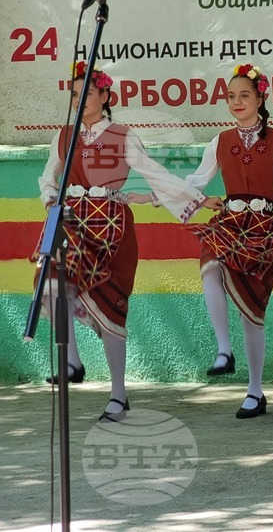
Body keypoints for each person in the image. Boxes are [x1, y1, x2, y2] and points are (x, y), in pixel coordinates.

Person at [35, 61, 206, 422]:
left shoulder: (122, 135)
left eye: (88, 94)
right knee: (50, 281)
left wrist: (193, 197)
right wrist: (52, 200)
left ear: (105, 96)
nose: (80, 100)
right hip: (71, 221)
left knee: (109, 303)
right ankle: (72, 361)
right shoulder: (63, 136)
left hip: (111, 227)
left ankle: (118, 394)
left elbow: (153, 173)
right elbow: (48, 178)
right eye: (75, 95)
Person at [185, 63, 273, 419]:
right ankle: (223, 350)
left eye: (244, 95)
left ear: (261, 98)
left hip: (264, 229)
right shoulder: (221, 141)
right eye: (231, 96)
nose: (236, 101)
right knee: (209, 264)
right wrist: (194, 199)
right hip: (230, 222)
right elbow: (196, 180)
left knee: (251, 310)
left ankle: (255, 391)